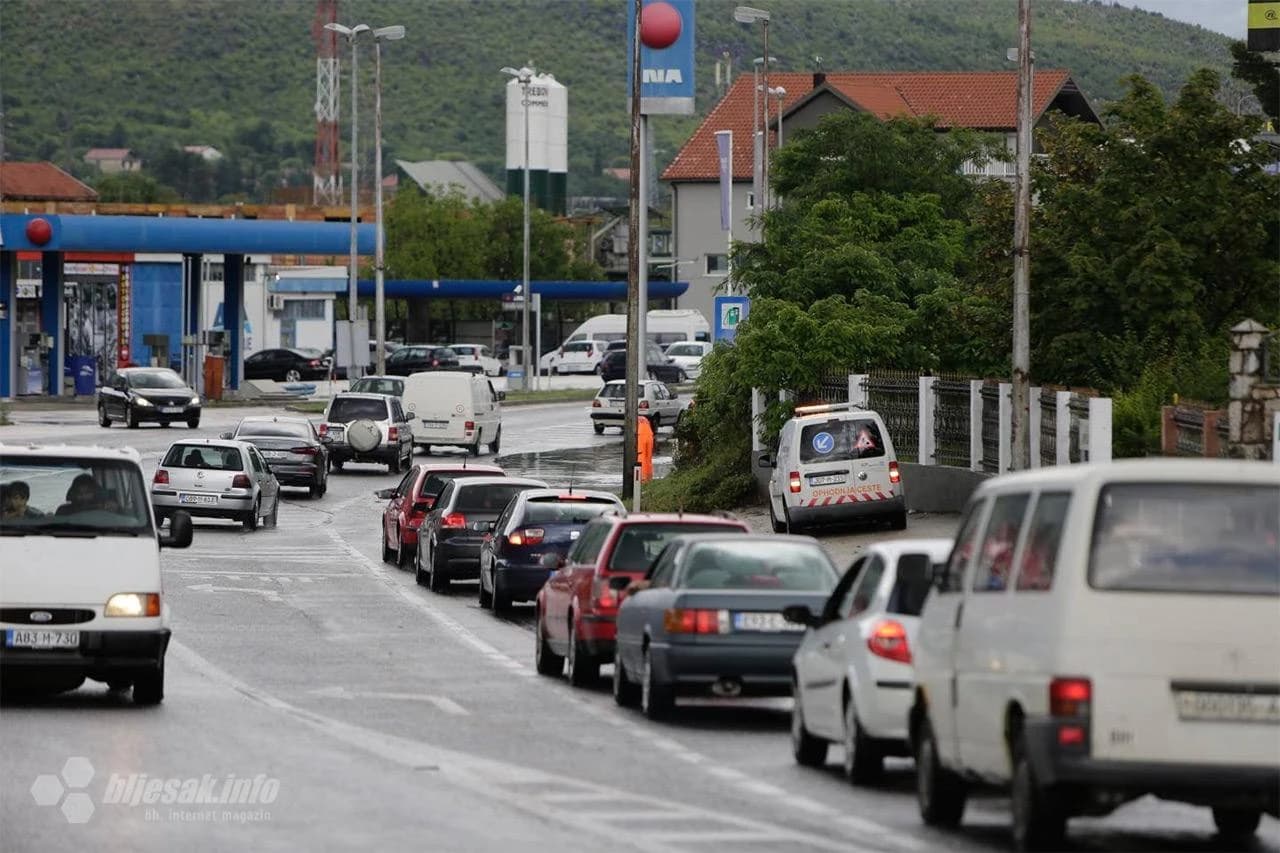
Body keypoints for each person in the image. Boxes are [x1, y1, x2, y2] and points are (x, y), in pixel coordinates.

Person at [637, 416, 654, 482]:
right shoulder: (645, 419)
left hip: (641, 436)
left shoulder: (634, 419)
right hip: (649, 436)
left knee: (641, 456)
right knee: (648, 458)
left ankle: (642, 478)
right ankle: (649, 477)